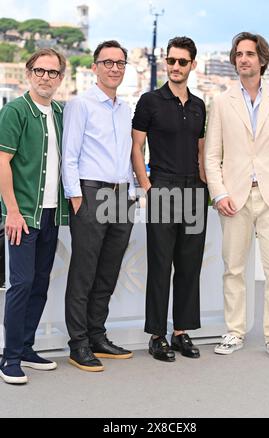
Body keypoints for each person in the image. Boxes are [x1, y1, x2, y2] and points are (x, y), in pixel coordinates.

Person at [205, 32, 269, 361]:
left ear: (262, 59)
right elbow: (211, 154)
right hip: (234, 198)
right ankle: (234, 331)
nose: (243, 58)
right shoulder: (220, 102)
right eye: (238, 53)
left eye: (249, 53)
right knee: (233, 269)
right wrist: (219, 194)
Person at [132, 36, 208, 362]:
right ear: (166, 62)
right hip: (162, 187)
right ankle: (157, 335)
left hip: (194, 190)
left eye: (182, 61)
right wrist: (148, 186)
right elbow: (136, 148)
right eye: (171, 60)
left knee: (189, 265)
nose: (175, 67)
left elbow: (202, 152)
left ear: (192, 64)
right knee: (161, 265)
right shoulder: (150, 101)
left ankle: (182, 332)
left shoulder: (199, 105)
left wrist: (207, 188)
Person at [62, 40, 136, 372]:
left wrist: (132, 192)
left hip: (122, 196)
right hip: (91, 195)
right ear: (94, 67)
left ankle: (97, 336)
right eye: (108, 62)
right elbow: (70, 155)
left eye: (120, 63)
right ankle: (78, 344)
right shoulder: (81, 105)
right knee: (84, 272)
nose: (114, 68)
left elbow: (128, 157)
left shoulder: (125, 108)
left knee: (108, 272)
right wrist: (76, 196)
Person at [0, 48, 68, 384]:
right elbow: (2, 162)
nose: (45, 77)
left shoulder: (58, 112)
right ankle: (9, 356)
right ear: (29, 73)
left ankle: (26, 347)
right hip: (23, 215)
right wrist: (11, 211)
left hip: (52, 215)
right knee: (22, 284)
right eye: (40, 70)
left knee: (40, 284)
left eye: (52, 72)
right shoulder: (15, 111)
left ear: (60, 78)